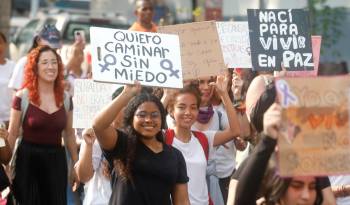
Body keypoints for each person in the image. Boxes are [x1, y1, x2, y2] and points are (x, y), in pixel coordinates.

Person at [92, 82, 190, 205]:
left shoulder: (175, 156)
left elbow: (182, 201)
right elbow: (98, 126)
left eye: (154, 115)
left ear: (162, 120)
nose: (148, 120)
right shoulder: (121, 143)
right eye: (141, 115)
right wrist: (126, 94)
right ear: (131, 119)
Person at [7, 45, 78, 205]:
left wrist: (75, 163)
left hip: (56, 162)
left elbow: (69, 134)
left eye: (54, 62)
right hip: (26, 161)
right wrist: (5, 165)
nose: (51, 67)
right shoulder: (22, 97)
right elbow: (12, 134)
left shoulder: (66, 98)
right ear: (35, 67)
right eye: (45, 62)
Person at [165, 74, 240, 205]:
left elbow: (235, 131)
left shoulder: (203, 138)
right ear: (171, 111)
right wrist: (165, 97)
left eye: (193, 107)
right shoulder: (163, 138)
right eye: (182, 107)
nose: (188, 112)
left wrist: (224, 94)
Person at [233, 103, 326, 205]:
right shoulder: (265, 162)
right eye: (296, 186)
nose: (306, 195)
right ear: (277, 187)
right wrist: (267, 141)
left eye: (312, 187)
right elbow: (242, 199)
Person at [8, 24, 62, 91]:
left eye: (55, 48)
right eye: (49, 47)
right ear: (38, 40)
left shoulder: (58, 63)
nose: (52, 51)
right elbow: (16, 92)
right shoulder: (24, 62)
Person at [0, 32, 16, 128]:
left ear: (5, 44)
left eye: (0, 43)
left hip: (9, 120)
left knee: (6, 143)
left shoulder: (13, 66)